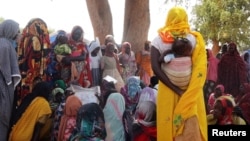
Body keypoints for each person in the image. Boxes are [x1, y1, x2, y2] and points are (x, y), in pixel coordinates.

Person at [151, 6, 207, 141]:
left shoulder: (159, 39)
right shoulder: (194, 39)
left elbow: (155, 67)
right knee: (191, 123)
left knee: (168, 124)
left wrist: (175, 88)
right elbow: (200, 68)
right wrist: (187, 89)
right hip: (191, 90)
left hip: (168, 90)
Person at [17, 18, 50, 100]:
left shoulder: (24, 37)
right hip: (34, 69)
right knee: (33, 91)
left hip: (24, 69)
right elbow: (39, 52)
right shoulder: (36, 39)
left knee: (25, 90)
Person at [0, 19, 21, 141]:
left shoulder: (6, 44)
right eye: (17, 32)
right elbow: (5, 67)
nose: (19, 35)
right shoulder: (4, 44)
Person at [203, 48, 219, 114]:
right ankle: (206, 109)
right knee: (204, 94)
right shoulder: (204, 61)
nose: (206, 54)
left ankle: (209, 109)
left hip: (212, 80)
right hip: (205, 79)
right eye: (205, 53)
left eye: (207, 53)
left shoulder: (215, 61)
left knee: (208, 95)